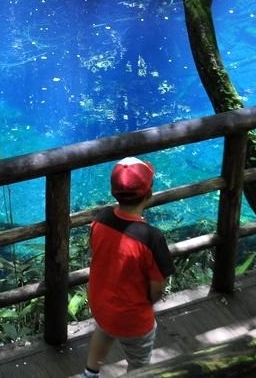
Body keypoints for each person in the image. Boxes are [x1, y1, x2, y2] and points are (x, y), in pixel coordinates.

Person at [81, 156, 175, 377]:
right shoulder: (152, 238)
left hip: (102, 305)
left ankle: (90, 372)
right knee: (139, 362)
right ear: (149, 194)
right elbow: (157, 287)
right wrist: (146, 303)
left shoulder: (101, 218)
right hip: (133, 317)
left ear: (113, 192)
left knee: (104, 330)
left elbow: (96, 249)